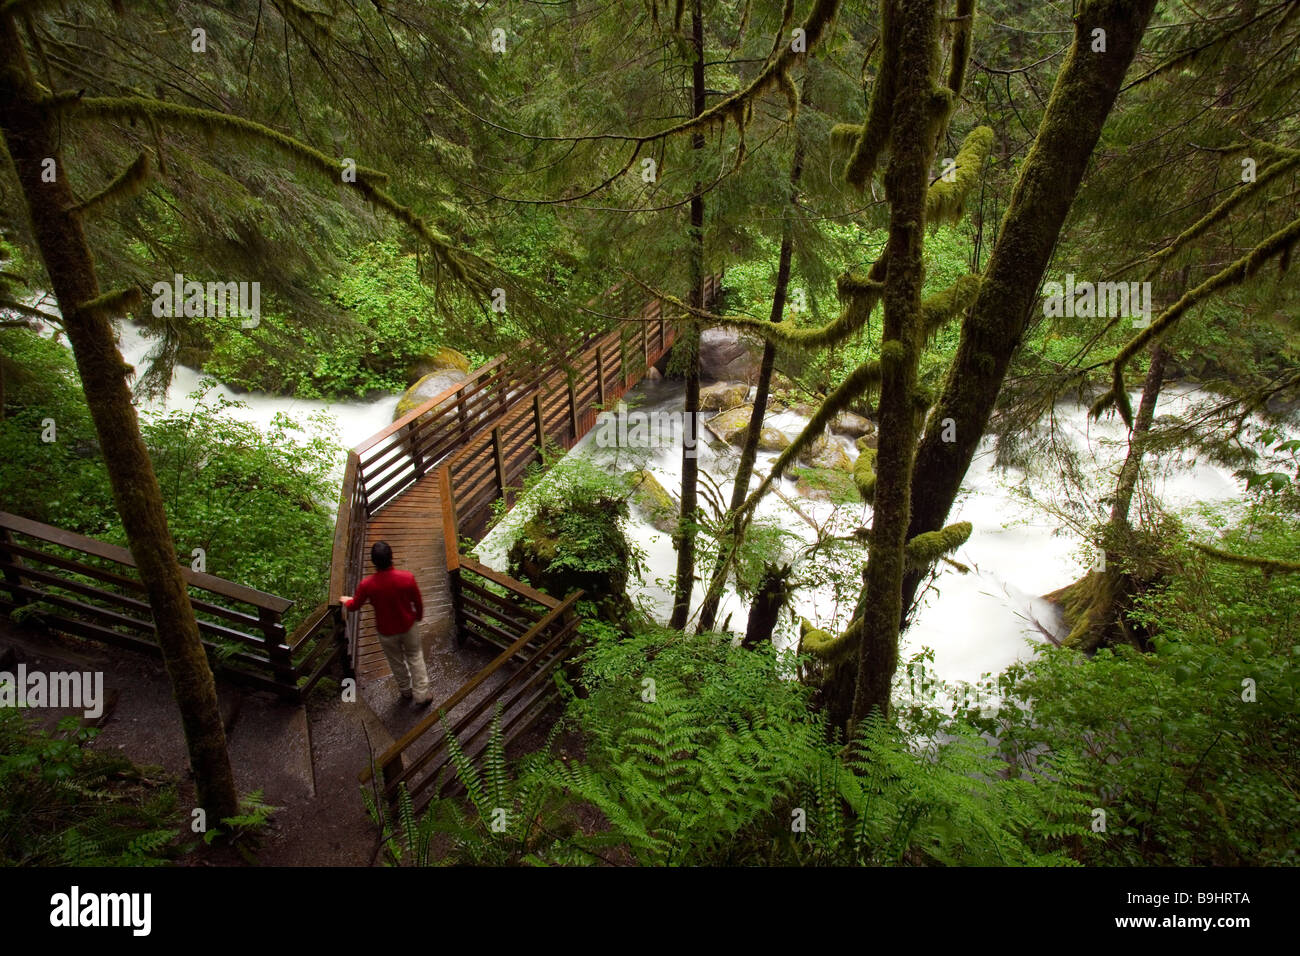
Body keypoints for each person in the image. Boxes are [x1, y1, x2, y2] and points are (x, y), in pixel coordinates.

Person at [341, 541, 431, 704]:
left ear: (374, 562)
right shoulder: (407, 578)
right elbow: (418, 603)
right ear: (392, 557)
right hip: (408, 626)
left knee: (395, 661)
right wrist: (418, 617)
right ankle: (422, 694)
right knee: (415, 657)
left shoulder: (367, 585)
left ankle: (405, 691)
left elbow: (354, 606)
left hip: (386, 631)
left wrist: (346, 601)